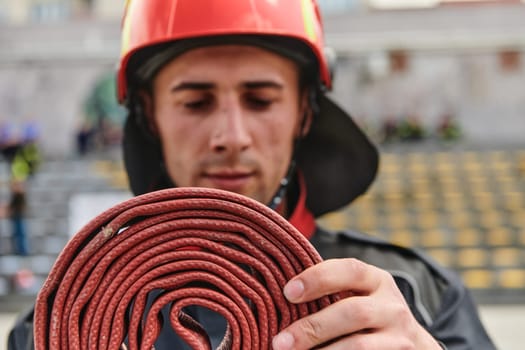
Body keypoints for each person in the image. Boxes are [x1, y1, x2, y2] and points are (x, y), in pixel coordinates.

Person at [9, 1, 495, 349]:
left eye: (261, 100)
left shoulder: (417, 295)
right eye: (195, 102)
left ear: (305, 114)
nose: (231, 135)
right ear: (148, 116)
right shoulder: (62, 323)